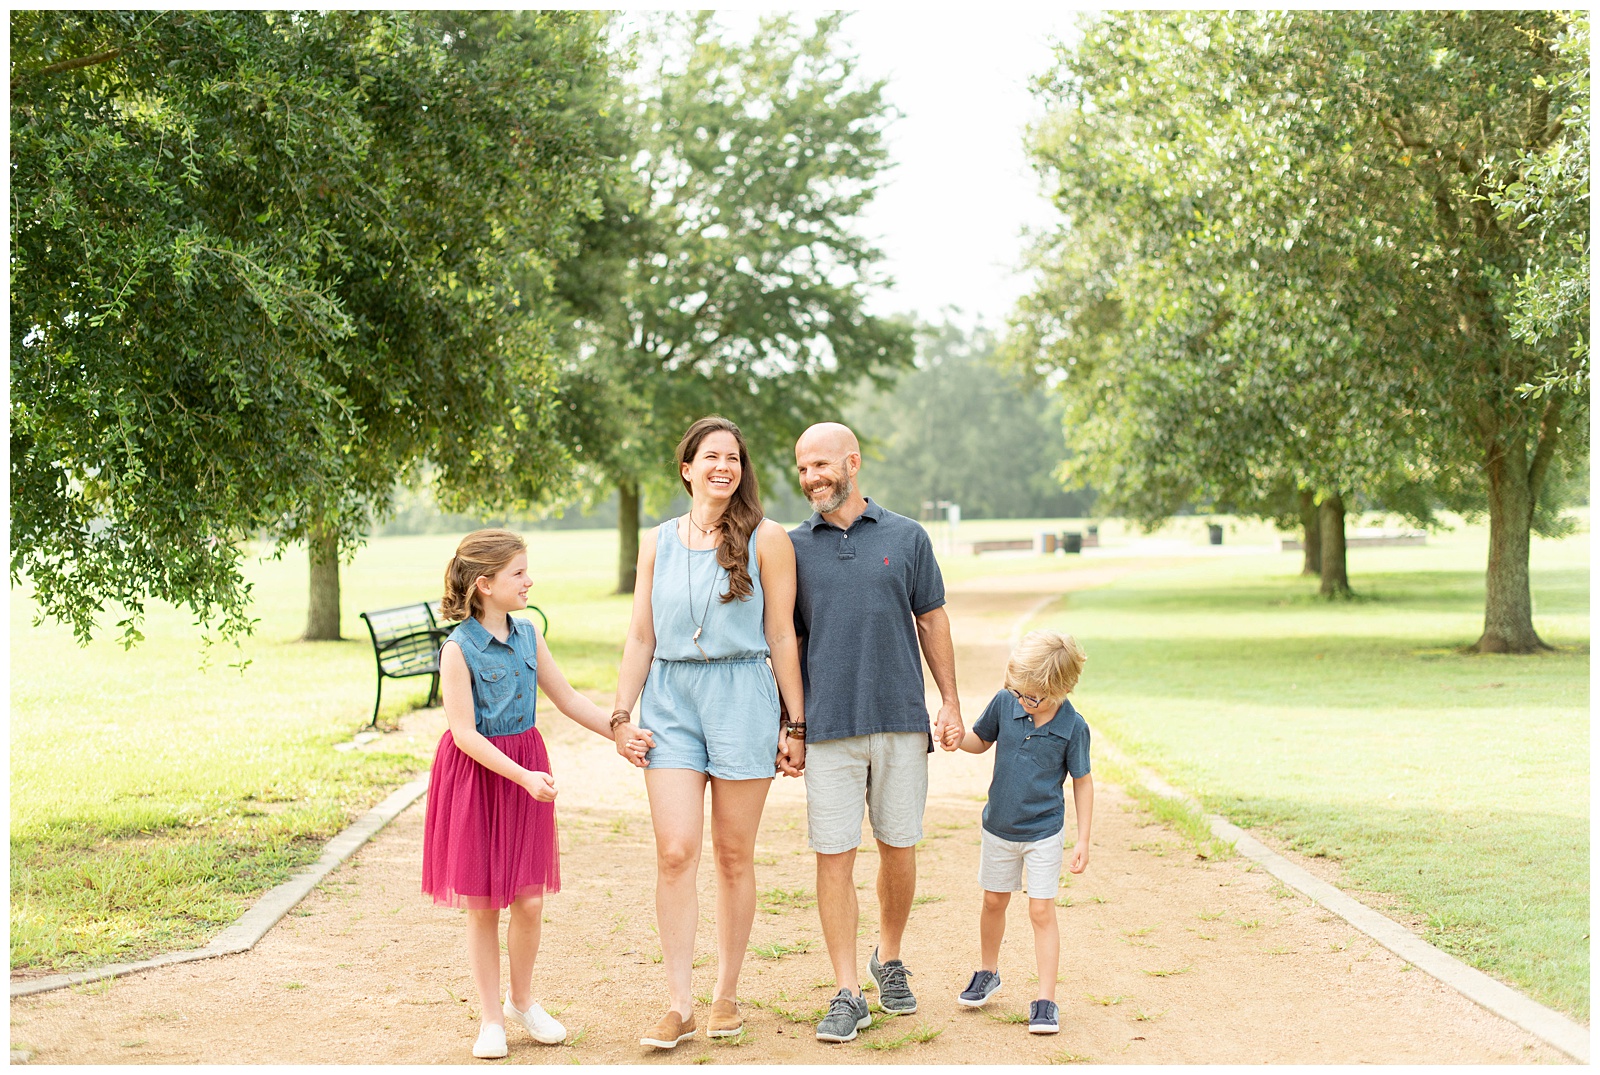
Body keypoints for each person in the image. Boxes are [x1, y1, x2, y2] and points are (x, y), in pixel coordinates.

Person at [609, 416, 807, 1050]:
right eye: (711, 456)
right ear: (687, 468)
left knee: (731, 854)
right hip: (670, 699)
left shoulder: (768, 538)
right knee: (675, 852)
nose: (725, 466)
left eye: (735, 457)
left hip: (743, 696)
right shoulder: (658, 541)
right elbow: (642, 634)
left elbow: (781, 634)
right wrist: (621, 714)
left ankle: (726, 993)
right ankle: (678, 1001)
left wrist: (794, 722)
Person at [421, 529, 647, 1059]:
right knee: (482, 905)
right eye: (518, 573)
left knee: (528, 900)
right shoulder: (457, 650)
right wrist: (522, 777)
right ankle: (491, 1019)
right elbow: (464, 735)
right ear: (485, 584)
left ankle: (523, 1001)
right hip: (479, 778)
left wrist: (619, 731)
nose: (529, 580)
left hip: (527, 773)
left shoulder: (528, 635)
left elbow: (566, 698)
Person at [788, 422, 964, 1044]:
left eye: (822, 465)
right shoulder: (790, 547)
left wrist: (948, 700)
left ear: (852, 462)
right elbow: (788, 641)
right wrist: (792, 725)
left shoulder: (907, 537)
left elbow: (931, 618)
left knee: (899, 845)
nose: (812, 477)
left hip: (898, 719)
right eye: (803, 467)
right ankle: (846, 991)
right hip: (829, 728)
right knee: (832, 855)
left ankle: (888, 959)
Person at [956, 629, 1094, 1036]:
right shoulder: (1006, 702)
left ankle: (1046, 998)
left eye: (1032, 697)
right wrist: (953, 738)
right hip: (998, 827)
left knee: (1040, 910)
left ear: (1062, 689)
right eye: (1018, 692)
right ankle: (987, 971)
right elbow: (979, 741)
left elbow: (1082, 782)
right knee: (994, 901)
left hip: (1043, 832)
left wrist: (1083, 838)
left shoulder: (1073, 727)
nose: (1022, 701)